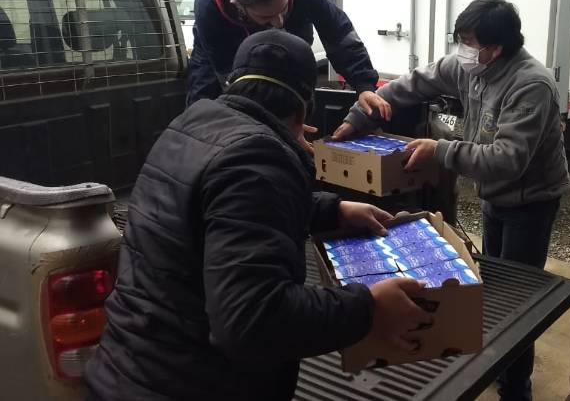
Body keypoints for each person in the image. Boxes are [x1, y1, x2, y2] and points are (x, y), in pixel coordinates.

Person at [86, 30, 432, 401]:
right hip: (190, 383)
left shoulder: (195, 122)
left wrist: (333, 210)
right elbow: (251, 321)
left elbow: (223, 212)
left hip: (132, 365)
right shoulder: (256, 158)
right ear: (303, 111)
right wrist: (369, 307)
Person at [333, 0, 570, 401]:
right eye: (459, 40)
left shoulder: (530, 85)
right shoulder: (470, 64)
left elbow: (508, 160)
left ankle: (516, 385)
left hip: (530, 202)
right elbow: (412, 84)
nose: (462, 50)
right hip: (494, 195)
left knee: (519, 299)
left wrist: (440, 150)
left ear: (496, 47)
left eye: (470, 42)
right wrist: (361, 112)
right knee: (491, 285)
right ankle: (499, 363)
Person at [187, 0, 390, 122]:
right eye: (267, 17)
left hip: (294, 39)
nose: (278, 22)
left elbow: (338, 34)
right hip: (223, 55)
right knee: (206, 107)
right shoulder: (210, 7)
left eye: (283, 9)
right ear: (238, 6)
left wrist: (364, 85)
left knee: (297, 98)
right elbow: (229, 79)